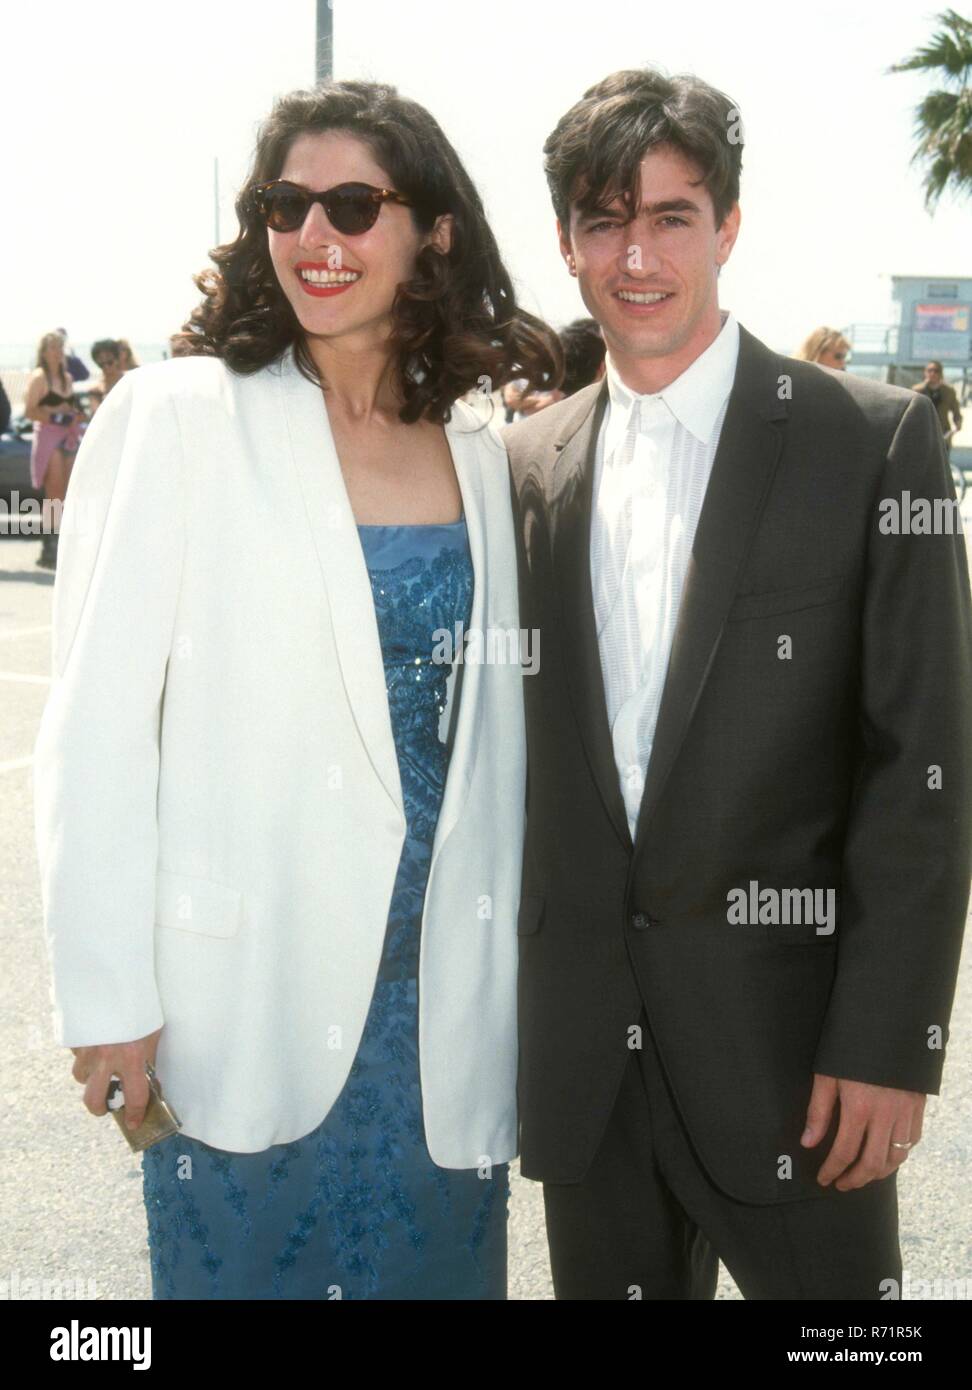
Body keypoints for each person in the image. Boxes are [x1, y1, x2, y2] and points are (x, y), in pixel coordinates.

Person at [34, 79, 560, 1301]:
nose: (314, 236)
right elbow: (98, 732)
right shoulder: (177, 418)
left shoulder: (481, 446)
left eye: (353, 204)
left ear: (430, 229)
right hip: (245, 1000)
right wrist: (108, 997)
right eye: (286, 204)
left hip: (440, 1010)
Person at [505, 67, 972, 1300]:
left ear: (729, 227)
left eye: (671, 215)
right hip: (589, 1086)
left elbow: (921, 769)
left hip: (806, 1076)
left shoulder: (870, 443)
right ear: (566, 242)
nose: (637, 253)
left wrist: (889, 1046)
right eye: (605, 220)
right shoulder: (517, 469)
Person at [23, 330, 84, 569]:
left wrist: (72, 416)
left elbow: (69, 408)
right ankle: (49, 547)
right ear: (44, 352)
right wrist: (54, 416)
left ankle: (65, 545)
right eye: (53, 348)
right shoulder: (39, 378)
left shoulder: (67, 378)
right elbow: (30, 411)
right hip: (49, 438)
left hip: (67, 436)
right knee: (54, 495)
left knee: (70, 493)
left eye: (60, 348)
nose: (58, 352)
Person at [914, 360, 963, 454]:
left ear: (941, 373)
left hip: (943, 434)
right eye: (929, 370)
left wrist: (958, 423)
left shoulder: (949, 391)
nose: (932, 373)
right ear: (925, 372)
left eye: (936, 371)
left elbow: (956, 412)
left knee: (942, 465)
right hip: (923, 435)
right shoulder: (917, 390)